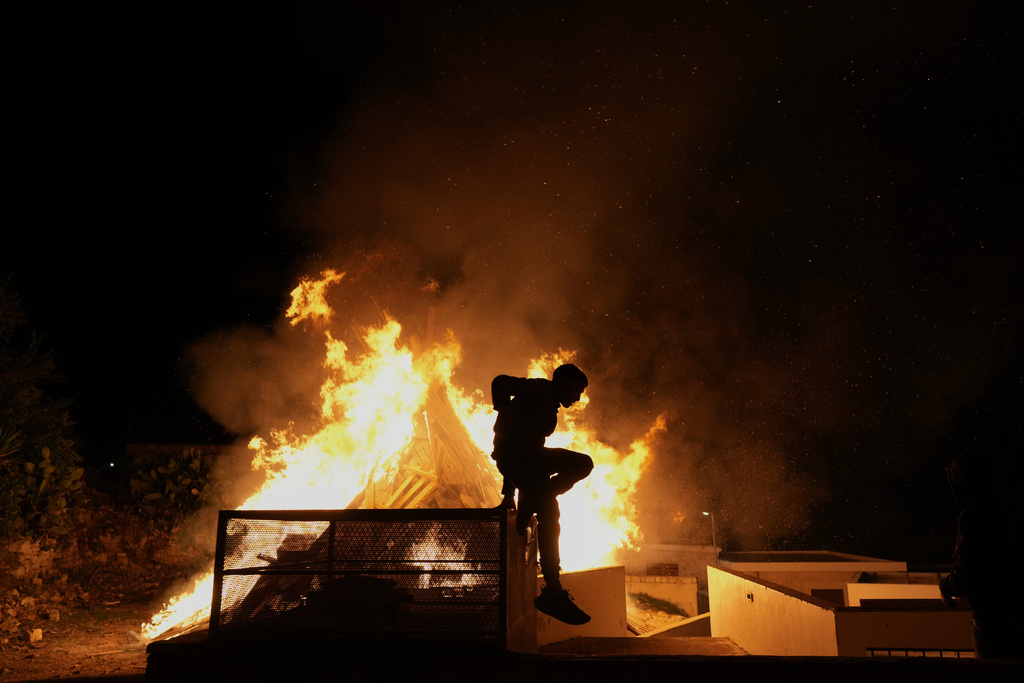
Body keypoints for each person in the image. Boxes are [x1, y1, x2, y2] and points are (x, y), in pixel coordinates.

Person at [490, 363, 594, 625]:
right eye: (576, 390)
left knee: (576, 472)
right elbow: (500, 381)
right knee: (553, 506)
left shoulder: (545, 401)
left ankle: (536, 499)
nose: (578, 397)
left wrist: (508, 494)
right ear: (562, 383)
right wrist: (502, 412)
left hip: (527, 460)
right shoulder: (539, 388)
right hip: (520, 459)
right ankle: (553, 591)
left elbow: (520, 444)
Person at [939, 450, 1024, 659]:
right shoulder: (1009, 507)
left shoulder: (974, 514)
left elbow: (967, 569)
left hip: (992, 619)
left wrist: (946, 587)